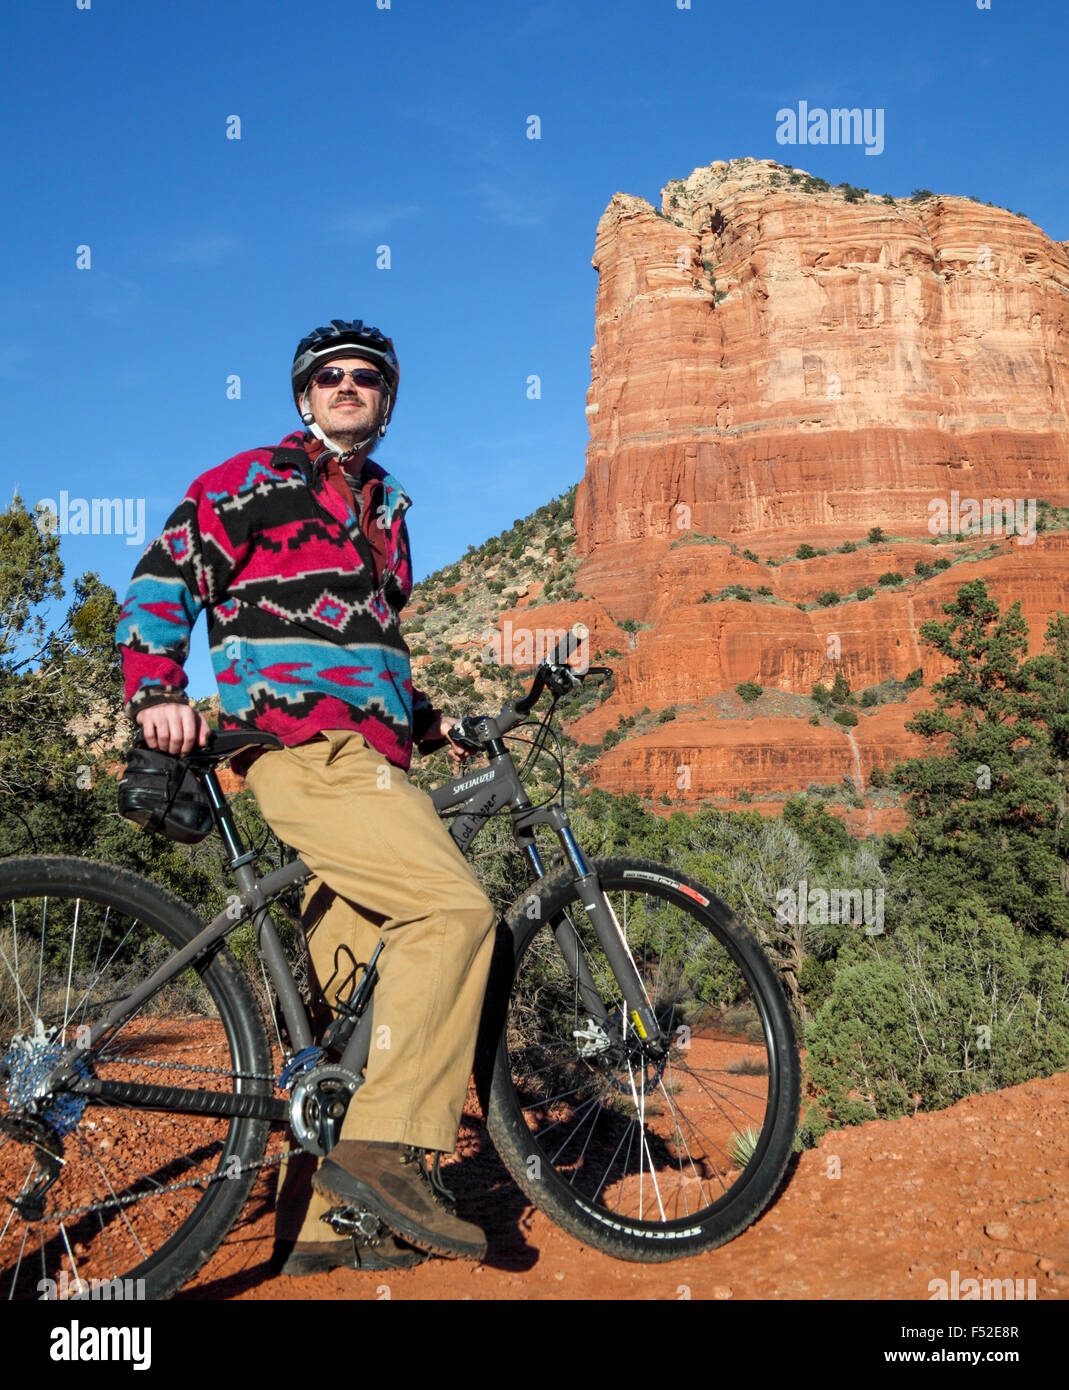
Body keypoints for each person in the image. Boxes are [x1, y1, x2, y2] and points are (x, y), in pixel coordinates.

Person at [115, 319, 498, 1276]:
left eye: (367, 377)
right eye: (328, 376)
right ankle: (386, 1152)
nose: (347, 386)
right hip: (303, 747)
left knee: (361, 1007)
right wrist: (155, 690)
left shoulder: (386, 509)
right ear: (302, 396)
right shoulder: (250, 479)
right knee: (453, 910)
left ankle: (335, 1234)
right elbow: (164, 576)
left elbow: (368, 650)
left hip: (372, 757)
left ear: (387, 396)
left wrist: (430, 724)